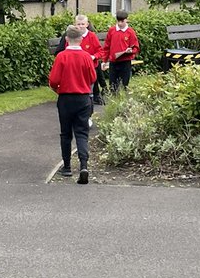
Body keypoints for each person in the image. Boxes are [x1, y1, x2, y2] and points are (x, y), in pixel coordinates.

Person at [49, 23, 97, 183]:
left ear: (67, 39)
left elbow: (53, 80)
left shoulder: (61, 56)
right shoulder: (86, 56)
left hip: (66, 99)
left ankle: (67, 167)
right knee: (82, 133)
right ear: (81, 40)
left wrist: (58, 90)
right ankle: (84, 165)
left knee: (66, 133)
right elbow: (92, 78)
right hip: (83, 98)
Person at [103, 9, 139, 94]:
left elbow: (136, 47)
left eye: (122, 21)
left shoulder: (130, 32)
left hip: (125, 61)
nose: (120, 23)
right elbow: (107, 46)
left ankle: (122, 100)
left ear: (126, 20)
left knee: (124, 84)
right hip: (113, 61)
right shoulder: (112, 30)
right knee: (112, 84)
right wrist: (104, 60)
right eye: (118, 21)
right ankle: (113, 100)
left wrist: (130, 51)